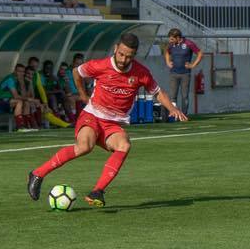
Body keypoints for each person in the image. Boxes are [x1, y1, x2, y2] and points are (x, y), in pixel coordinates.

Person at [27, 33, 187, 207]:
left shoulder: (141, 73)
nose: (124, 59)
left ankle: (98, 191)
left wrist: (172, 108)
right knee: (84, 146)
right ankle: (38, 174)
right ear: (116, 49)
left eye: (129, 56)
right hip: (92, 116)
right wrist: (82, 94)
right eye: (121, 54)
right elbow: (77, 72)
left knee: (124, 145)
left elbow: (157, 92)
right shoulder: (100, 65)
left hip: (112, 124)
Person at [164, 28, 203, 115]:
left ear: (178, 37)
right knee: (173, 96)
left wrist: (193, 65)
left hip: (185, 74)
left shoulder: (188, 43)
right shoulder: (171, 45)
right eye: (170, 39)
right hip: (173, 74)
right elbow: (166, 52)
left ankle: (184, 115)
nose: (170, 41)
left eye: (172, 39)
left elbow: (200, 53)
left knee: (184, 96)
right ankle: (174, 114)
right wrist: (167, 62)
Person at [0, 63, 30, 132]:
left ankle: (26, 126)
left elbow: (24, 95)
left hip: (8, 101)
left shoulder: (19, 80)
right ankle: (20, 127)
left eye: (23, 72)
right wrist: (31, 99)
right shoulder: (10, 79)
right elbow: (16, 96)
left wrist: (22, 83)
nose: (21, 73)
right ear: (15, 71)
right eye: (19, 71)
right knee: (19, 102)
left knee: (26, 103)